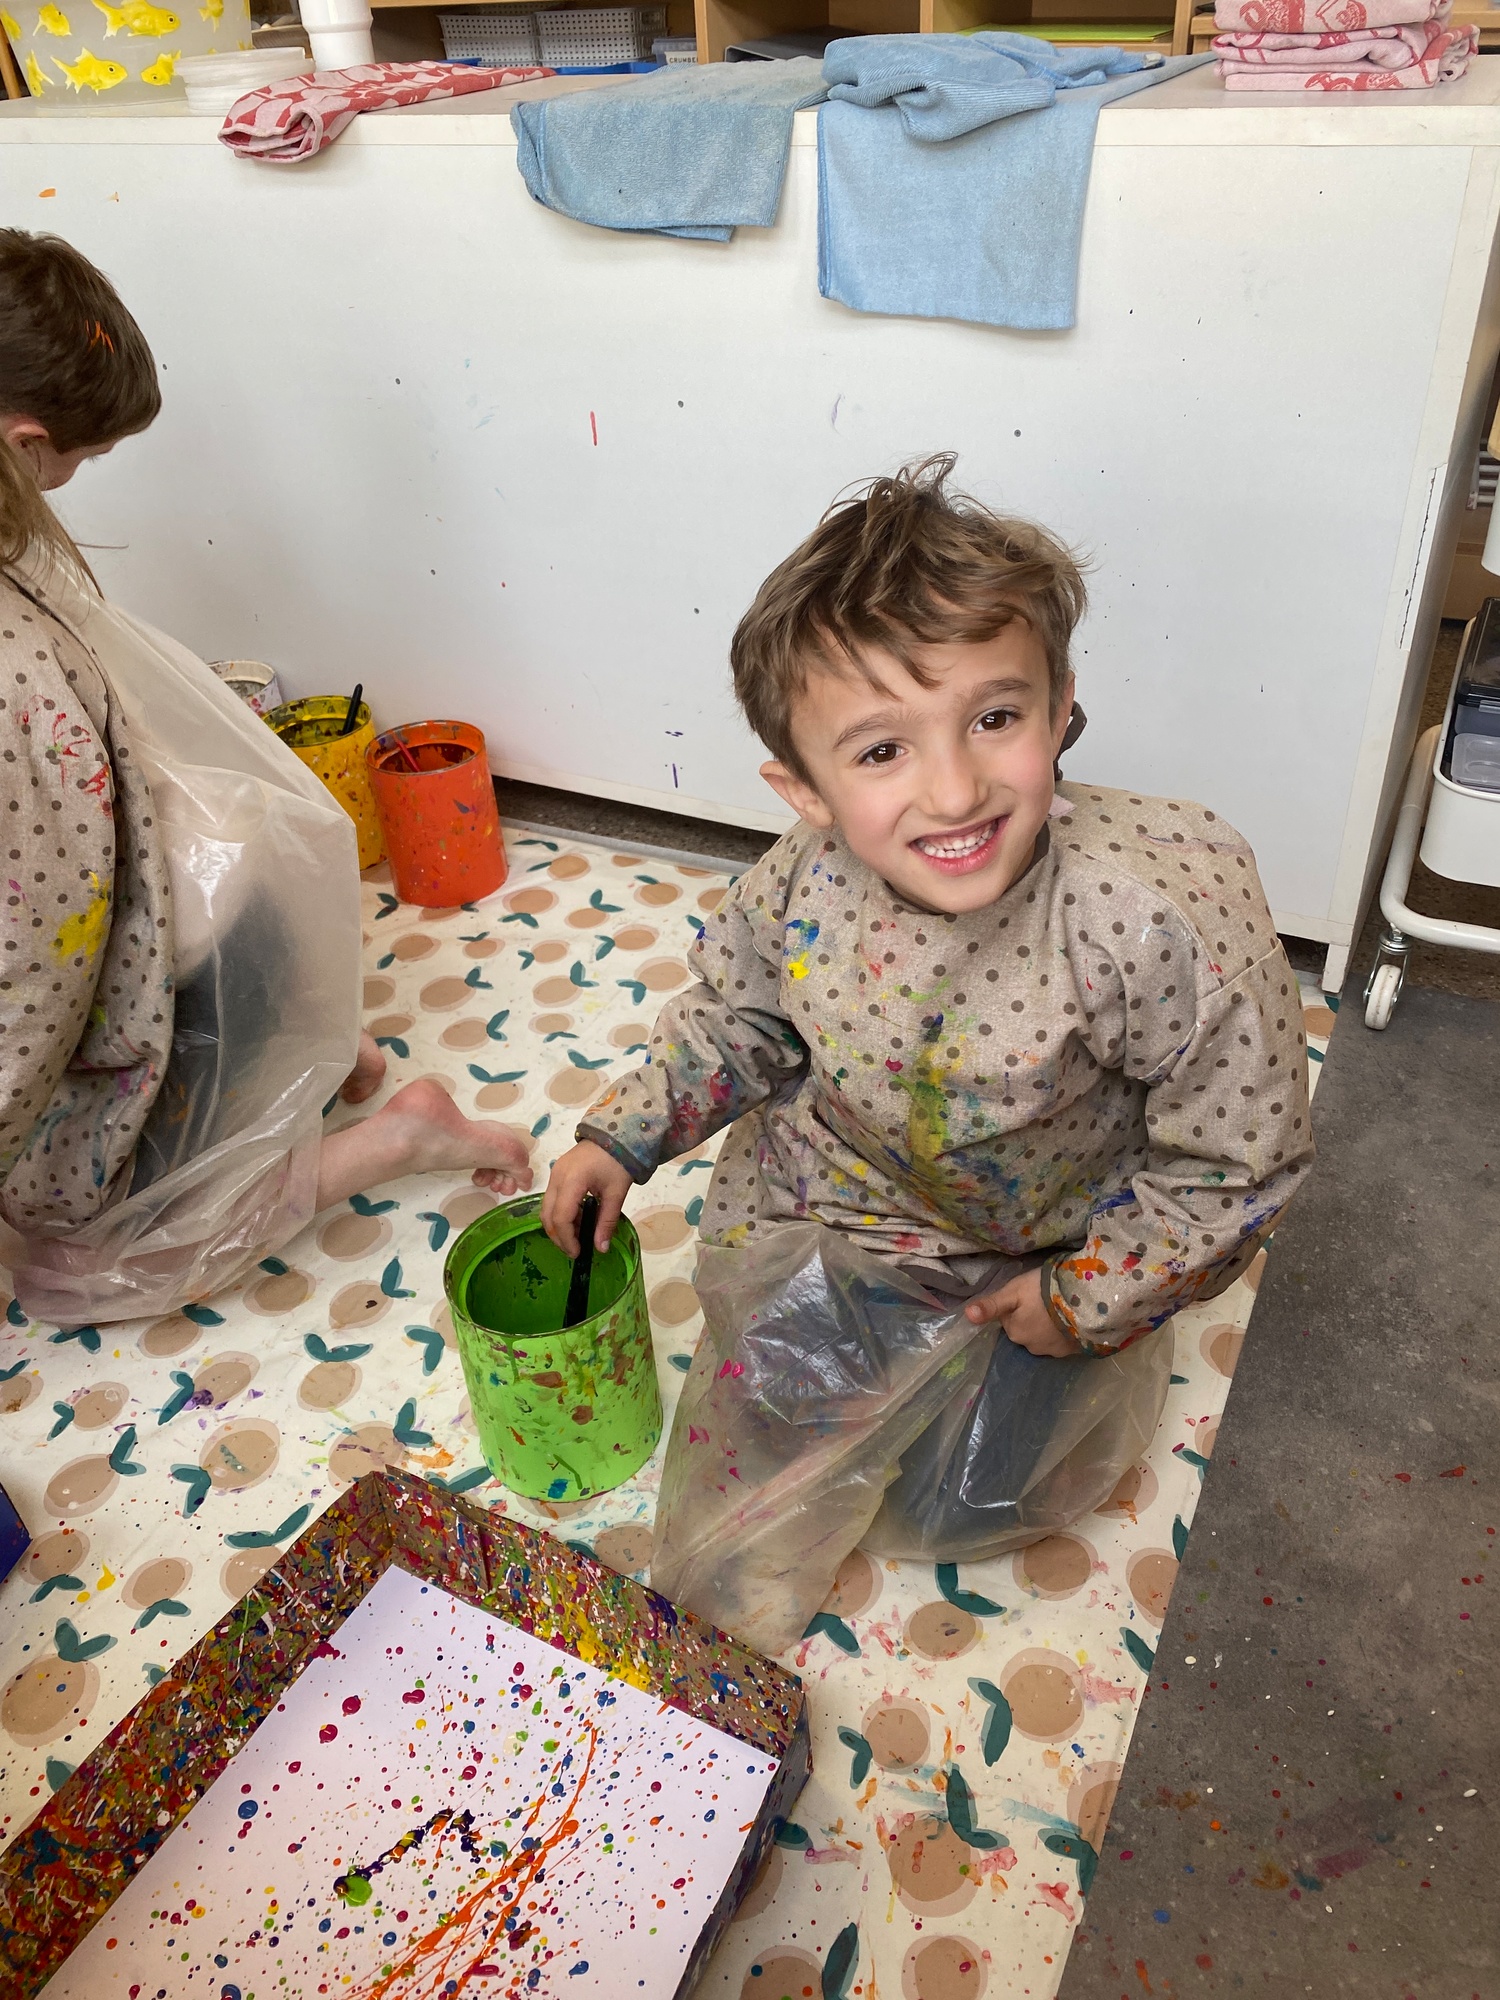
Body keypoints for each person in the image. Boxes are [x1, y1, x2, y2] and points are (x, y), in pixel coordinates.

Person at [544, 455, 1314, 1360]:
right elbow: (740, 1017)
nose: (955, 793)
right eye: (881, 752)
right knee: (781, 1392)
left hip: (1045, 1245)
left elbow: (1237, 1163)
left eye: (994, 719)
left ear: (1059, 709)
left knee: (995, 1451)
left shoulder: (1155, 921)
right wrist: (624, 1133)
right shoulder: (803, 879)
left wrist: (1088, 1298)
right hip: (836, 1196)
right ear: (806, 792)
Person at [0, 228, 530, 1318]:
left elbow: (39, 983)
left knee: (75, 1273)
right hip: (215, 931)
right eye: (86, 459)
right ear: (27, 441)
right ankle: (310, 1053)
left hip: (158, 972)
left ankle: (392, 1136)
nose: (76, 481)